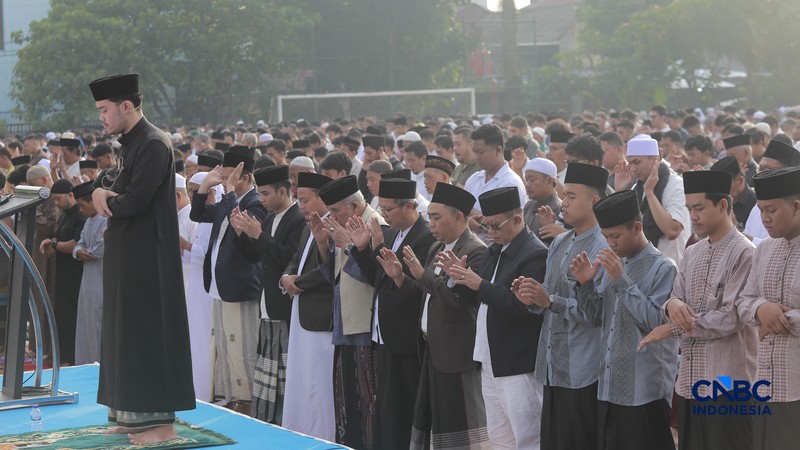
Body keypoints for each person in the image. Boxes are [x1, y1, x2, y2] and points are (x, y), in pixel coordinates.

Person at [89, 73, 194, 444]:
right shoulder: (130, 143)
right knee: (125, 335)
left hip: (147, 258)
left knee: (148, 336)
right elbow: (114, 185)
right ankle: (131, 416)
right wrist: (103, 191)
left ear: (126, 106)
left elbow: (134, 200)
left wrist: (104, 198)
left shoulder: (152, 143)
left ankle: (162, 425)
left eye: (104, 109)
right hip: (127, 254)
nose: (100, 117)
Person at [639, 170, 757, 450]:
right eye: (690, 208)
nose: (692, 216)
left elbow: (730, 318)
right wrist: (673, 305)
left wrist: (673, 327)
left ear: (723, 205)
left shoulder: (746, 252)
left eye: (699, 208)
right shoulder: (692, 252)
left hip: (727, 384)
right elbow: (675, 298)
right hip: (690, 382)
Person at [438, 186, 547, 449]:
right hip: (489, 358)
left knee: (526, 435)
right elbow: (479, 299)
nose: (491, 233)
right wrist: (460, 278)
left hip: (517, 362)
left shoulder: (535, 254)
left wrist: (480, 285)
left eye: (496, 226)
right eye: (486, 226)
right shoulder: (492, 250)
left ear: (518, 220)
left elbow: (523, 307)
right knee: (499, 436)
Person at [382, 182, 489, 449]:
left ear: (459, 217)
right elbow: (425, 292)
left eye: (437, 217)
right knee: (434, 422)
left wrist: (423, 275)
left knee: (460, 424)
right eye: (429, 217)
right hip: (432, 349)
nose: (431, 223)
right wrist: (400, 278)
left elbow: (461, 301)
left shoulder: (475, 251)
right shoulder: (436, 248)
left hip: (457, 352)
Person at [569, 190, 678, 450]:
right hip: (609, 385)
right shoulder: (613, 264)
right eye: (606, 237)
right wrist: (584, 284)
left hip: (645, 391)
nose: (610, 244)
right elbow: (596, 318)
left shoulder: (664, 267)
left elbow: (656, 323)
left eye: (615, 236)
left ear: (638, 227)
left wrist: (622, 280)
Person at [514, 163, 610, 450]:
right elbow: (546, 295)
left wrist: (549, 301)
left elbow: (598, 313)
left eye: (570, 196)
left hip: (583, 368)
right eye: (563, 195)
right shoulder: (560, 242)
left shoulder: (603, 247)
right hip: (551, 364)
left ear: (594, 200)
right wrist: (531, 296)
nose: (563, 203)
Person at [349, 177, 435, 450]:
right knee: (387, 407)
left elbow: (420, 288)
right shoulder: (390, 233)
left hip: (408, 338)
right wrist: (364, 249)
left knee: (405, 408)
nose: (383, 215)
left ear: (409, 205)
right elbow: (378, 278)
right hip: (384, 333)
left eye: (388, 210)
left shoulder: (424, 236)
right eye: (381, 209)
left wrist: (398, 277)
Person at [190, 146, 267, 413]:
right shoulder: (228, 199)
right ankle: (232, 398)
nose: (222, 182)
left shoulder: (256, 204)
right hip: (219, 288)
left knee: (242, 348)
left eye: (226, 177)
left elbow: (243, 230)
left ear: (243, 177)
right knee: (224, 346)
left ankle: (246, 402)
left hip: (240, 288)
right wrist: (204, 188)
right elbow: (198, 214)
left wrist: (230, 192)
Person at [312, 175, 385, 448]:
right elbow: (333, 275)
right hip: (345, 323)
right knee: (346, 401)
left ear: (355, 206)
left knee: (368, 402)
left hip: (366, 327)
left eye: (335, 211)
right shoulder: (343, 227)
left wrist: (351, 245)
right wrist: (322, 243)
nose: (331, 216)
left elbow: (377, 277)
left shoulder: (377, 226)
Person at [230, 165, 305, 425]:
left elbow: (288, 258)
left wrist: (258, 235)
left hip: (284, 306)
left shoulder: (298, 219)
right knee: (267, 371)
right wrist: (242, 233)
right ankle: (267, 418)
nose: (260, 200)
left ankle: (285, 420)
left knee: (284, 373)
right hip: (268, 302)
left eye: (264, 194)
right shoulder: (270, 218)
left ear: (282, 191)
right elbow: (255, 256)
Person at [737, 166, 800, 450]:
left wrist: (781, 318)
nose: (764, 218)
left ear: (797, 206)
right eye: (761, 209)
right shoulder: (764, 249)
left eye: (771, 210)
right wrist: (762, 309)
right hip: (763, 384)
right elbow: (743, 301)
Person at [279, 172, 335, 440]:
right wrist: (286, 278)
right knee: (301, 375)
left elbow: (329, 269)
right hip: (300, 310)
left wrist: (298, 283)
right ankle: (300, 429)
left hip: (320, 315)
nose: (300, 206)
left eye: (305, 200)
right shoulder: (305, 226)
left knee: (318, 380)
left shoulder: (334, 226)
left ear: (322, 199)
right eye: (298, 200)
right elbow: (295, 259)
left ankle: (321, 434)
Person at [614, 135, 690, 265]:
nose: (633, 169)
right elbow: (622, 230)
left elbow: (672, 231)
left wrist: (649, 193)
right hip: (640, 267)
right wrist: (620, 192)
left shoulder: (676, 185)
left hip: (670, 270)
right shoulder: (635, 188)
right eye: (630, 163)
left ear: (655, 160)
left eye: (637, 162)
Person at [183, 171, 221, 402]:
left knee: (206, 337)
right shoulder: (201, 217)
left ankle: (206, 390)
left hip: (208, 289)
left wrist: (185, 245)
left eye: (193, 191)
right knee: (195, 335)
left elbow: (209, 255)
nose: (190, 196)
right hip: (194, 286)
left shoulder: (213, 216)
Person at [40, 178, 85, 366]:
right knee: (62, 316)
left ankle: (72, 358)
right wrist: (53, 242)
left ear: (70, 195)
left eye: (58, 199)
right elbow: (59, 239)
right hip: (62, 274)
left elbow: (75, 244)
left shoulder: (80, 215)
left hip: (75, 276)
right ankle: (63, 356)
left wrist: (54, 244)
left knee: (72, 318)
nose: (57, 203)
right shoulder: (65, 214)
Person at [464, 124, 527, 235]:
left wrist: (469, 211)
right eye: (475, 152)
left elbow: (505, 225)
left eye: (481, 152)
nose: (477, 157)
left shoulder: (510, 183)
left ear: (498, 150)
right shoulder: (473, 179)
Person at [71, 181, 106, 365]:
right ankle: (87, 365)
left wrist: (84, 251)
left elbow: (99, 250)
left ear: (93, 202)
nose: (81, 211)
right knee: (86, 326)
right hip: (87, 285)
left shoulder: (106, 220)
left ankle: (99, 368)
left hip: (101, 283)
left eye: (82, 206)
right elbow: (79, 244)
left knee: (98, 328)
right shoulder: (90, 221)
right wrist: (79, 251)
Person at [743, 139, 800, 244]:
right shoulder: (757, 207)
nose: (763, 174)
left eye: (768, 170)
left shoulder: (790, 204)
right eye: (760, 169)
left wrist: (748, 240)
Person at [710, 156, 757, 232]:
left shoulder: (756, 204)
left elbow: (757, 240)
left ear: (740, 181)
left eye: (724, 186)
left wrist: (735, 225)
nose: (720, 191)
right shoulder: (719, 202)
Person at [522, 158, 562, 246]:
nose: (527, 184)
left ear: (549, 181)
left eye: (532, 180)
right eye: (526, 180)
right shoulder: (529, 206)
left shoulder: (559, 209)